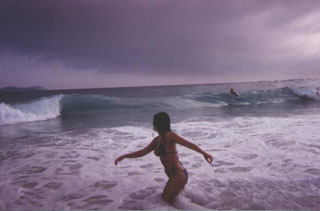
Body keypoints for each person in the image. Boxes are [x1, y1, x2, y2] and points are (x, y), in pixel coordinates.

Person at [115, 112, 213, 204]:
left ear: (158, 123)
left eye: (154, 121)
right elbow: (142, 152)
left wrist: (204, 153)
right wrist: (125, 156)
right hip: (175, 175)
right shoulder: (157, 140)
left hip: (177, 175)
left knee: (164, 201)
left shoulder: (169, 136)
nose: (153, 124)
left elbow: (188, 144)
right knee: (171, 203)